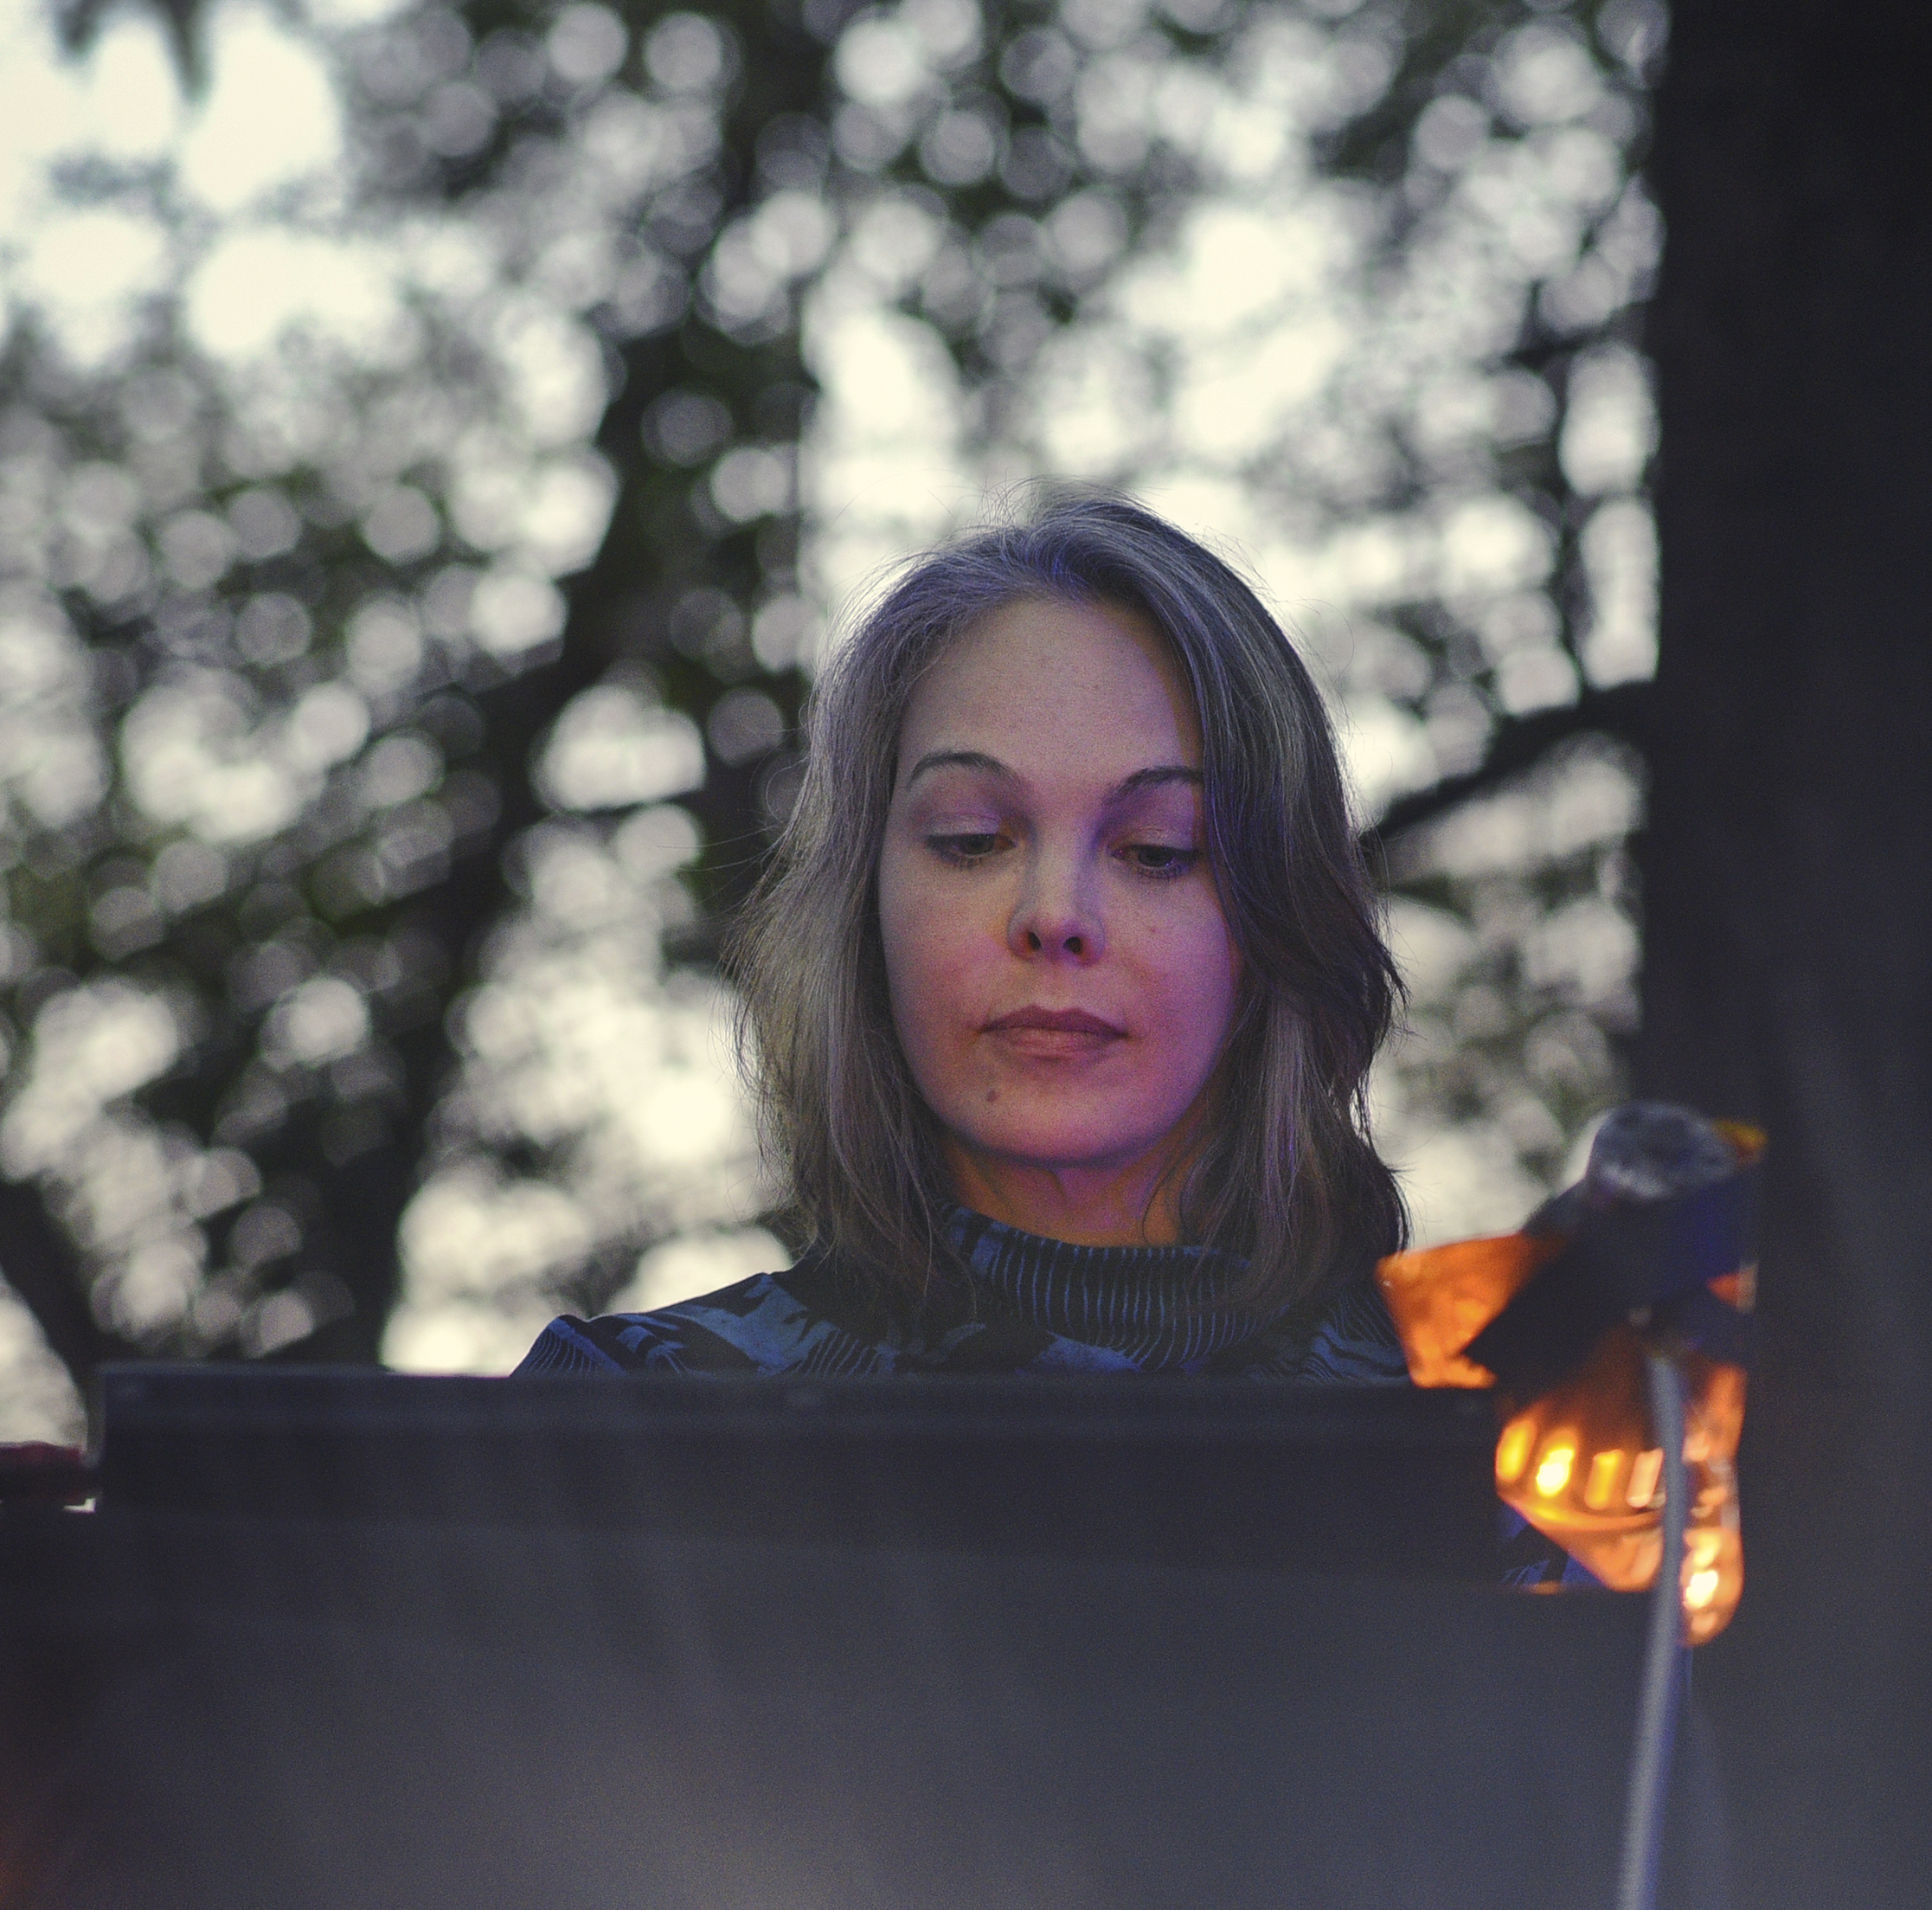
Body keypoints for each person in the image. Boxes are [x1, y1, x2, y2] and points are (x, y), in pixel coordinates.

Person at [515, 492, 1409, 1381]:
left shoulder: (1486, 1457)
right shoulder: (627, 1422)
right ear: (865, 904)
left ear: (1275, 922)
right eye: (973, 840)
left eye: (1156, 849)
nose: (1055, 916)